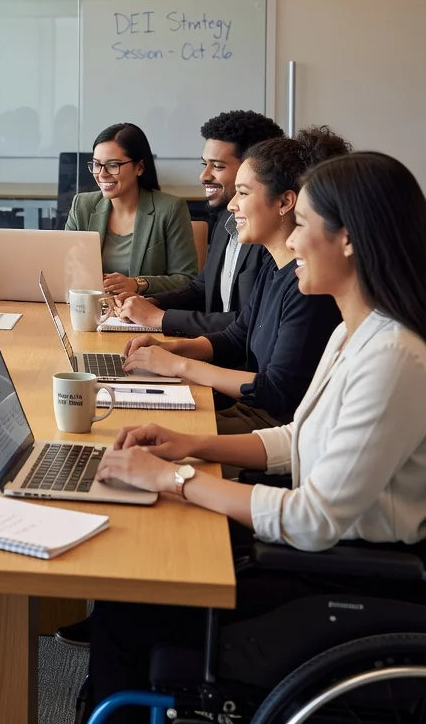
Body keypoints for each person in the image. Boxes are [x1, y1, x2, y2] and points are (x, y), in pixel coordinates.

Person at [79, 150, 426, 723]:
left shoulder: (394, 357)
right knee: (140, 584)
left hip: (352, 576)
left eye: (305, 227)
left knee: (129, 610)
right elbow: (297, 438)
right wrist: (191, 444)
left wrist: (175, 479)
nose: (291, 245)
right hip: (317, 556)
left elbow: (313, 518)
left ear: (349, 240)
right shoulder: (354, 331)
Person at [121, 128, 349, 434]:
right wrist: (169, 349)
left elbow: (277, 394)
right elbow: (236, 337)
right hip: (251, 414)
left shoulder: (307, 285)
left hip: (269, 427)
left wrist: (177, 365)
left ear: (285, 202)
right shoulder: (272, 264)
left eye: (243, 192)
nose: (232, 205)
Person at [118, 110, 284, 335]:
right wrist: (150, 303)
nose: (203, 176)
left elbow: (251, 322)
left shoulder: (271, 235)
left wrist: (160, 318)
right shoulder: (226, 217)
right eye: (204, 164)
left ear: (252, 169)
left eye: (217, 166)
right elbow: (202, 289)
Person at [65, 122, 198, 297]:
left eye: (113, 165)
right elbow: (63, 267)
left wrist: (136, 283)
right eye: (97, 164)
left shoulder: (170, 209)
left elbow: (187, 280)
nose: (102, 174)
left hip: (141, 315)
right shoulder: (82, 205)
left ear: (140, 167)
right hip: (90, 311)